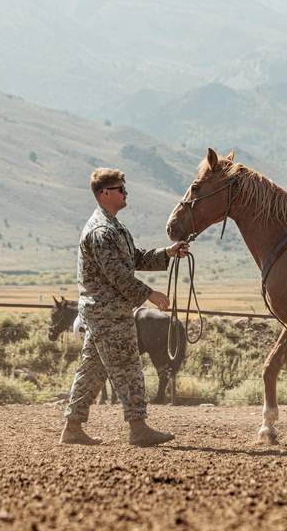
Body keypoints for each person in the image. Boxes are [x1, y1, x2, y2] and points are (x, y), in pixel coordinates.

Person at [61, 168, 190, 446]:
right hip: (109, 312)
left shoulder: (112, 227)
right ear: (105, 193)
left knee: (92, 369)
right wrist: (149, 294)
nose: (126, 192)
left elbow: (133, 258)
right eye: (120, 188)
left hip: (105, 311)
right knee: (128, 365)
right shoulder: (101, 231)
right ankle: (138, 427)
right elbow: (117, 274)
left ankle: (72, 428)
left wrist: (166, 253)